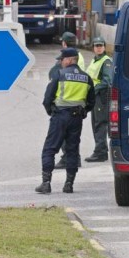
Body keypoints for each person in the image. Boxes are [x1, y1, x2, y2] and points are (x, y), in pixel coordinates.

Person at [36, 48, 95, 194]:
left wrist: (52, 112)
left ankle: (46, 183)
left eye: (61, 59)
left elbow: (47, 99)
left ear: (69, 60)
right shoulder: (87, 78)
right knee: (72, 150)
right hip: (76, 119)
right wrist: (82, 113)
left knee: (50, 149)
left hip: (60, 117)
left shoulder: (59, 75)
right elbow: (91, 102)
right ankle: (69, 184)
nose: (60, 62)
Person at [52, 31, 86, 169]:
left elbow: (54, 74)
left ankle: (69, 158)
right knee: (73, 135)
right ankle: (73, 158)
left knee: (66, 134)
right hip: (78, 100)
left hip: (67, 100)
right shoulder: (80, 56)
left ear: (64, 43)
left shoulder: (67, 59)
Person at [84, 37, 113, 162]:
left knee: (100, 124)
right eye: (96, 45)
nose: (99, 47)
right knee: (95, 124)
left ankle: (100, 152)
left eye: (101, 45)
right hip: (95, 97)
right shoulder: (95, 60)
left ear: (105, 47)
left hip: (101, 97)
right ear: (93, 47)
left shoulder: (106, 61)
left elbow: (107, 81)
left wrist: (93, 89)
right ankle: (101, 150)